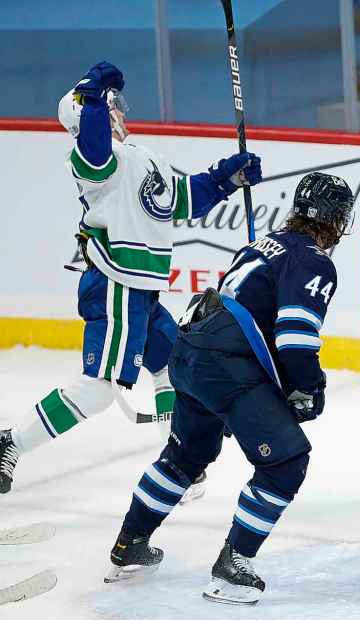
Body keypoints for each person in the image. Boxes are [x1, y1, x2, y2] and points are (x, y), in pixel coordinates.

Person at [0, 61, 261, 497]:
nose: (119, 112)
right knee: (99, 390)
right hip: (114, 285)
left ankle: (176, 457)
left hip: (139, 290)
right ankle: (10, 443)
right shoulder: (93, 161)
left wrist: (224, 179)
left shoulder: (140, 157)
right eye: (109, 107)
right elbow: (95, 145)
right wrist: (92, 93)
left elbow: (181, 201)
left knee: (173, 367)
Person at [103, 172, 354, 605]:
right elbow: (295, 338)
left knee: (185, 455)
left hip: (190, 349)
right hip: (225, 363)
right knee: (287, 462)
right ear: (333, 218)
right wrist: (309, 388)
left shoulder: (263, 244)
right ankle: (232, 567)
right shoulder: (314, 261)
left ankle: (129, 546)